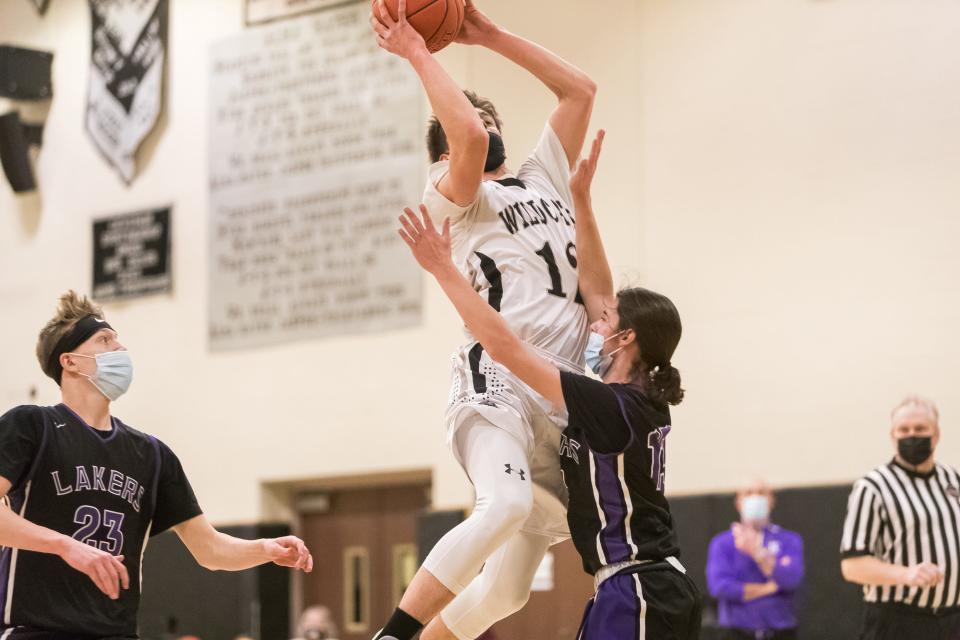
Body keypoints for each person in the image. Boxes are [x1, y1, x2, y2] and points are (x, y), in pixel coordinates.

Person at [396, 133, 701, 639]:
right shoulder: (633, 399)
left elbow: (508, 349)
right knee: (507, 587)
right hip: (641, 585)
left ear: (625, 340)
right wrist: (579, 199)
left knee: (505, 506)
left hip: (638, 587)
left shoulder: (607, 402)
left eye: (606, 322)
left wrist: (443, 268)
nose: (591, 323)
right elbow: (598, 289)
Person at [370, 0, 596, 638]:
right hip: (496, 376)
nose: (485, 122)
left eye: (494, 115)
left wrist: (487, 34)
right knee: (505, 505)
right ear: (440, 152)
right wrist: (418, 50)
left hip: (562, 393)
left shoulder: (541, 178)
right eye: (472, 117)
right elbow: (466, 133)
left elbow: (580, 90)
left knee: (507, 591)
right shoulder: (452, 197)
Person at [0, 291, 314, 639]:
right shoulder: (30, 426)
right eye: (104, 339)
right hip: (38, 630)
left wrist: (263, 549)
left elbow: (209, 549)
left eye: (119, 340)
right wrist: (66, 545)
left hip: (116, 633)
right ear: (70, 361)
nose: (120, 350)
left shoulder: (151, 454)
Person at [840, 395, 960, 640]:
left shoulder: (952, 479)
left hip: (952, 620)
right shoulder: (873, 487)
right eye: (903, 430)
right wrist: (905, 574)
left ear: (936, 434)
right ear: (892, 436)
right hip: (898, 622)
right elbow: (851, 566)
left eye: (920, 428)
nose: (911, 435)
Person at [706, 480, 804, 639]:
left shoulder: (789, 540)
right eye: (749, 493)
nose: (755, 498)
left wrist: (757, 553)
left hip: (780, 632)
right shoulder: (722, 543)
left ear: (771, 500)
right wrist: (769, 588)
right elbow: (720, 587)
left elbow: (791, 580)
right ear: (738, 502)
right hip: (737, 632)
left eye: (761, 493)